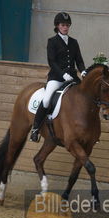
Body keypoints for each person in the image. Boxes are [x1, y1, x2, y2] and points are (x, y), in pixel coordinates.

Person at [30, 12, 86, 142]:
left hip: (72, 78)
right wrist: (62, 74)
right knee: (47, 99)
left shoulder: (74, 42)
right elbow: (52, 61)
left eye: (67, 25)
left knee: (84, 97)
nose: (65, 27)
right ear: (57, 26)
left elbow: (79, 60)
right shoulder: (52, 41)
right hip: (56, 78)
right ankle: (35, 129)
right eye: (63, 25)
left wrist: (83, 72)